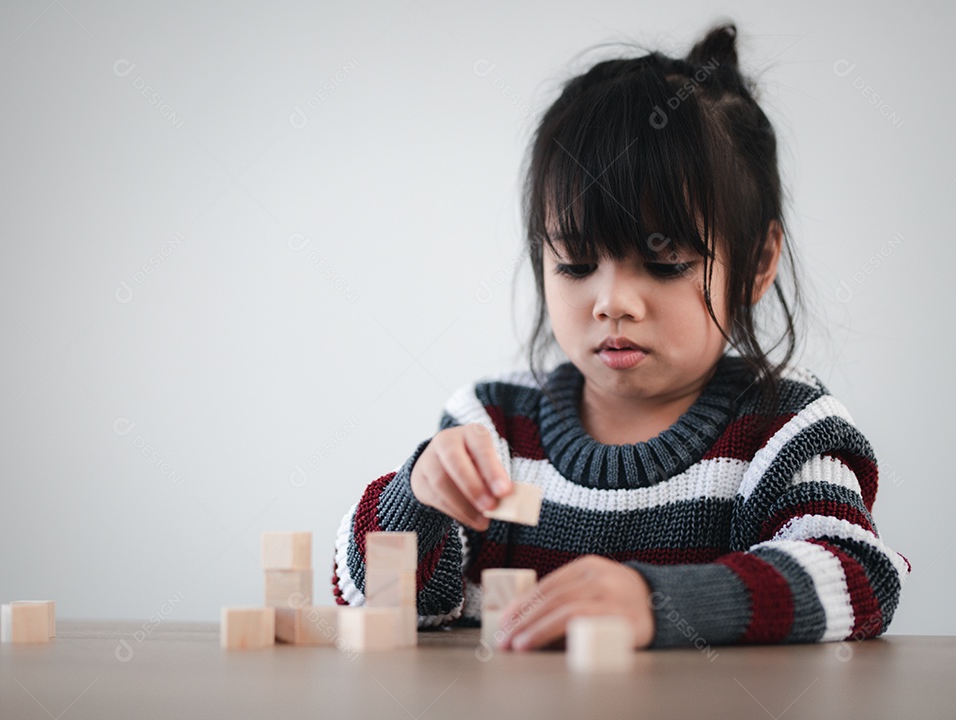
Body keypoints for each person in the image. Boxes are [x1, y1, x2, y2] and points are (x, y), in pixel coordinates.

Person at [331, 20, 909, 650]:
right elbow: (377, 605)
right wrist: (417, 498)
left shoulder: (783, 429)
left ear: (758, 262)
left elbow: (857, 579)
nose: (612, 302)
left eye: (666, 265)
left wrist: (660, 604)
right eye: (575, 264)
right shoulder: (492, 428)